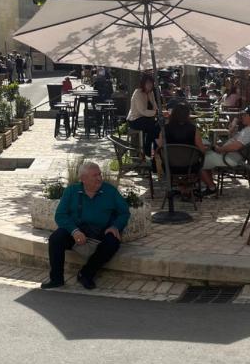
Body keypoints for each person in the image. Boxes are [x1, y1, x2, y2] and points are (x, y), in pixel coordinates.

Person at [40, 161, 130, 290]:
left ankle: (86, 274)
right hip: (77, 230)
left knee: (112, 242)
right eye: (95, 175)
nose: (99, 178)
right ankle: (56, 279)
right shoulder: (72, 191)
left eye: (100, 174)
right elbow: (60, 215)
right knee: (56, 238)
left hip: (101, 231)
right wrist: (74, 231)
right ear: (83, 179)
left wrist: (116, 226)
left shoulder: (110, 191)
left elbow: (124, 212)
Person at [201, 106, 250, 192]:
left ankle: (211, 188)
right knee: (206, 151)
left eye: (245, 115)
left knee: (199, 161)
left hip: (230, 157)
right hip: (231, 155)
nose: (242, 117)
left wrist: (220, 149)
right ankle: (210, 185)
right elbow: (234, 141)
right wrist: (232, 129)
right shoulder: (248, 129)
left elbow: (235, 146)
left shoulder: (249, 131)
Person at [127, 74, 160, 157]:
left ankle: (155, 151)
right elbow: (142, 111)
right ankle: (149, 151)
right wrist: (156, 113)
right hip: (135, 119)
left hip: (146, 119)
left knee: (158, 126)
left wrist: (159, 112)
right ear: (143, 83)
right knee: (153, 126)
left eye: (151, 83)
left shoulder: (151, 93)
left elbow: (155, 107)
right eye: (147, 83)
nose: (150, 85)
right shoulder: (138, 93)